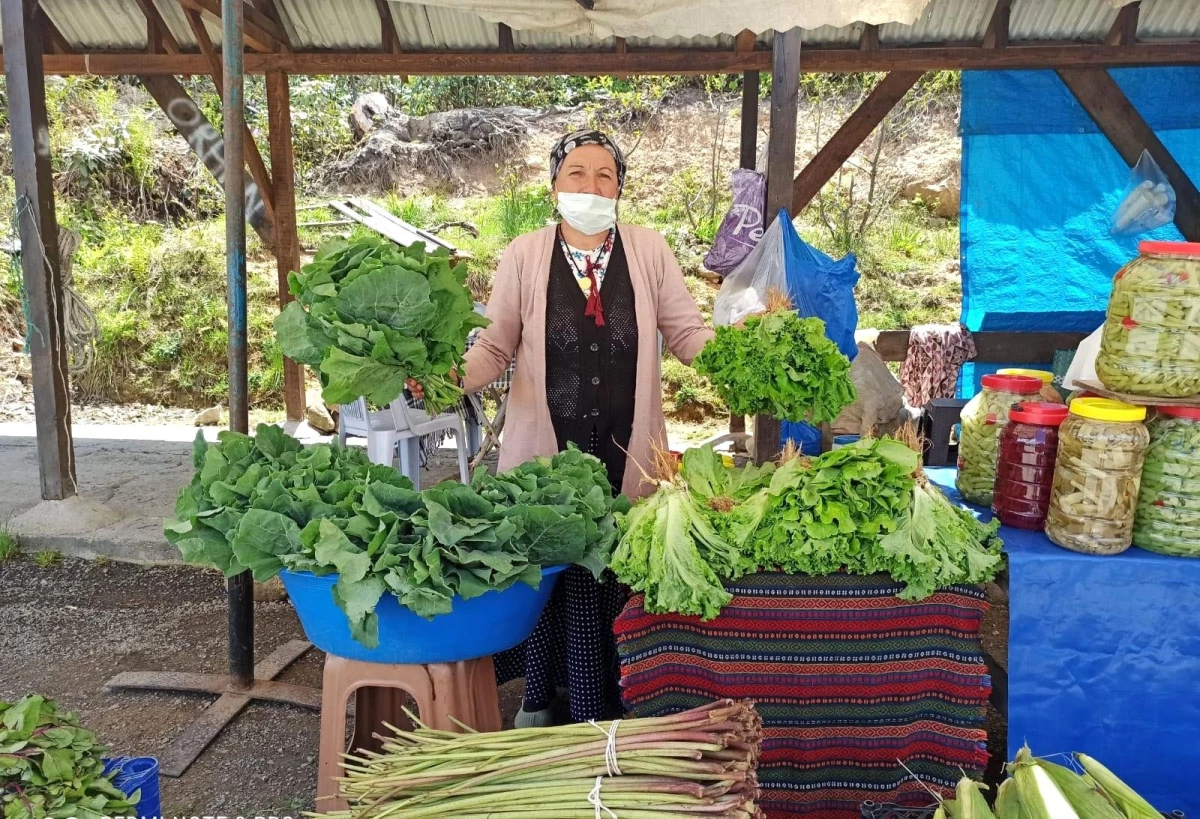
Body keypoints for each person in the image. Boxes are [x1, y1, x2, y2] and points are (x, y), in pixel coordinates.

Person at [410, 129, 713, 725]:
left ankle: (618, 703)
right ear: (554, 186)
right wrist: (448, 377)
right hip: (546, 457)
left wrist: (740, 353)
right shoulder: (525, 253)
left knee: (618, 569)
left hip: (627, 449)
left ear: (620, 188)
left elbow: (687, 334)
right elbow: (495, 346)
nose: (591, 186)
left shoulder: (649, 250)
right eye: (577, 173)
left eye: (604, 175)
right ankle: (544, 697)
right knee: (554, 573)